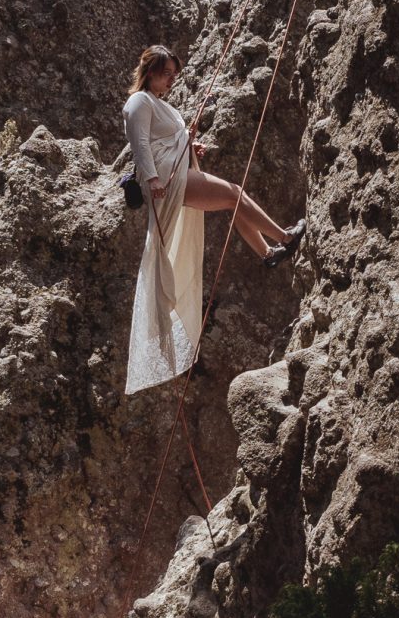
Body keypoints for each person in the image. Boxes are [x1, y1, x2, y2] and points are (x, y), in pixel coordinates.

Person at [122, 43, 304, 396]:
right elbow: (140, 144)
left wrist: (191, 148)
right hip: (166, 178)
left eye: (174, 74)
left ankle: (268, 253)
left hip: (174, 172)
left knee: (231, 201)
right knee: (234, 194)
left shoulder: (162, 104)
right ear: (149, 71)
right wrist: (153, 178)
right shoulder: (138, 102)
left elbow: (167, 141)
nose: (171, 79)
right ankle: (282, 239)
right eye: (166, 73)